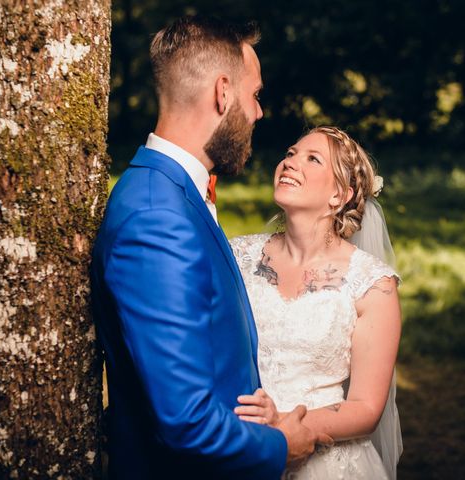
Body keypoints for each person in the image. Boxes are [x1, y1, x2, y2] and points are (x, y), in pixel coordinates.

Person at [90, 16, 328, 479]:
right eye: (254, 95)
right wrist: (280, 445)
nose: (258, 112)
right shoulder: (156, 218)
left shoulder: (173, 191)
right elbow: (186, 422)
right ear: (223, 92)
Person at [230, 126, 403, 479]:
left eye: (312, 159)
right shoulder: (237, 255)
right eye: (291, 153)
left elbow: (367, 408)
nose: (290, 163)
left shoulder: (373, 283)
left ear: (340, 195)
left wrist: (284, 425)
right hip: (243, 445)